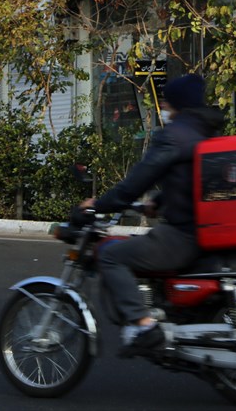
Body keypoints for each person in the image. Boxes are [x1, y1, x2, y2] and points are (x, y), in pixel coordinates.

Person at [78, 74, 223, 355]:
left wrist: (100, 204)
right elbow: (191, 181)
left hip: (183, 235)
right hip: (207, 229)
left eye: (167, 102)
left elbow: (135, 183)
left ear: (178, 104)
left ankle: (144, 326)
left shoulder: (173, 135)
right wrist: (158, 201)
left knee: (111, 255)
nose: (164, 108)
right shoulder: (205, 132)